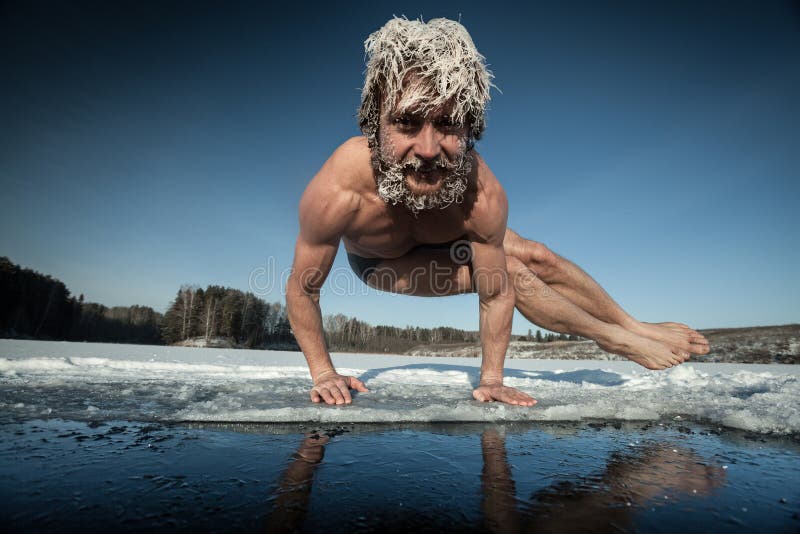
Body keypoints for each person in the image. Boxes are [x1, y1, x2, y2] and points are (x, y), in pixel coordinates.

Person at [286, 17, 709, 407]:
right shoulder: (339, 188)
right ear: (375, 123)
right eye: (407, 124)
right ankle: (615, 339)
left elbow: (494, 297)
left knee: (537, 255)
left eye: (448, 125)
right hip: (381, 262)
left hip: (446, 232)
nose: (429, 150)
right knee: (514, 271)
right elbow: (303, 289)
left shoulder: (481, 192)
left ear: (470, 128)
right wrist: (323, 372)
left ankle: (636, 325)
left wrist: (492, 379)